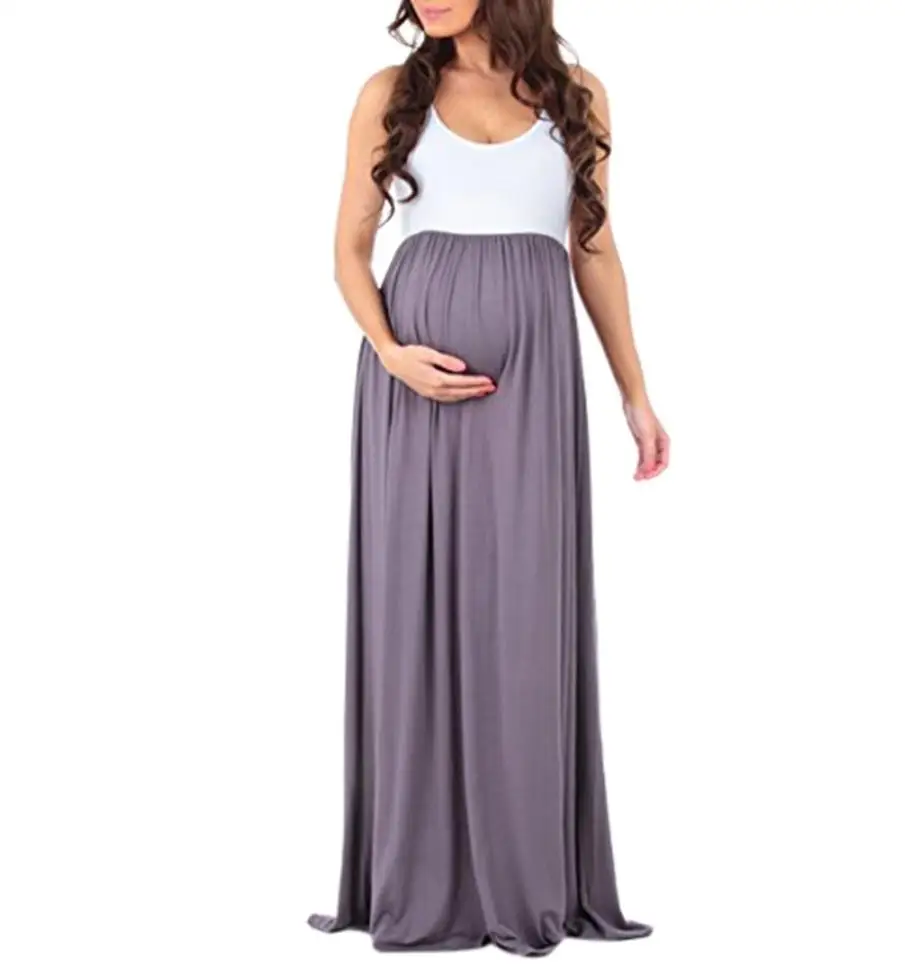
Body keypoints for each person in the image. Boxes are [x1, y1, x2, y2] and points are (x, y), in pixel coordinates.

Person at [308, 0, 668, 956]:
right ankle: (420, 876)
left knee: (524, 615)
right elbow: (348, 251)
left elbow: (593, 248)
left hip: (536, 388)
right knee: (413, 610)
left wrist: (635, 394)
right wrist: (390, 352)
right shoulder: (390, 92)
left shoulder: (577, 94)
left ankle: (525, 872)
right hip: (412, 389)